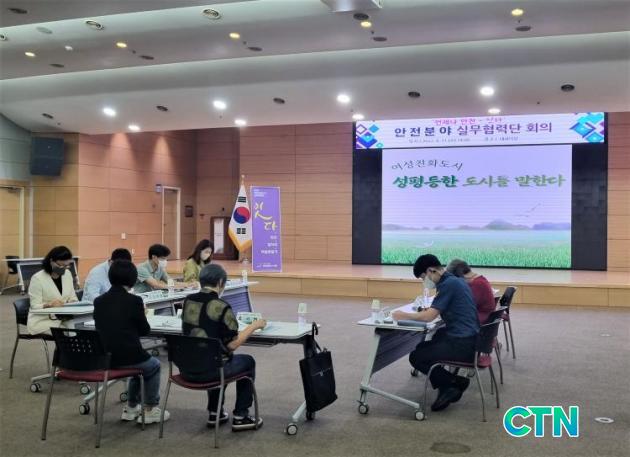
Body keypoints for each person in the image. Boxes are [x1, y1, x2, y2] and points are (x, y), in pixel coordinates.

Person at [181, 263, 265, 431]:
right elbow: (232, 345)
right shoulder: (221, 306)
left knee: (213, 356)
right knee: (245, 362)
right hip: (211, 371)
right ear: (220, 282)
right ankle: (241, 416)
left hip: (187, 369)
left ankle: (215, 413)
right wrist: (253, 326)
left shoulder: (188, 301)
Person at [392, 254, 479, 412]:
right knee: (423, 347)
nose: (424, 282)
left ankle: (450, 383)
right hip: (470, 339)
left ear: (431, 270)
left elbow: (429, 317)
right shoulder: (455, 280)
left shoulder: (448, 285)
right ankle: (452, 382)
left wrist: (403, 315)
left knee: (416, 356)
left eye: (423, 277)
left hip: (462, 344)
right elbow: (441, 309)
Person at [93, 260, 169, 424]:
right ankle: (150, 409)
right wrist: (142, 314)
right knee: (153, 365)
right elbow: (144, 331)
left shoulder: (98, 301)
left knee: (138, 369)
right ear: (132, 279)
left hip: (106, 358)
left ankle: (131, 407)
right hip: (129, 356)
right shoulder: (134, 301)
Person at [27, 246, 78, 335]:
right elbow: (34, 306)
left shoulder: (67, 274)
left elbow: (73, 297)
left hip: (63, 317)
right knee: (67, 333)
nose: (63, 268)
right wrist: (49, 304)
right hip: (43, 320)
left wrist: (72, 301)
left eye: (66, 266)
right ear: (51, 261)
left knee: (80, 330)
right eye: (60, 265)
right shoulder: (38, 278)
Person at [447, 258, 496, 324]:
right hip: (483, 317)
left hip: (479, 320)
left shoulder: (477, 284)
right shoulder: (480, 279)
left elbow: (465, 307)